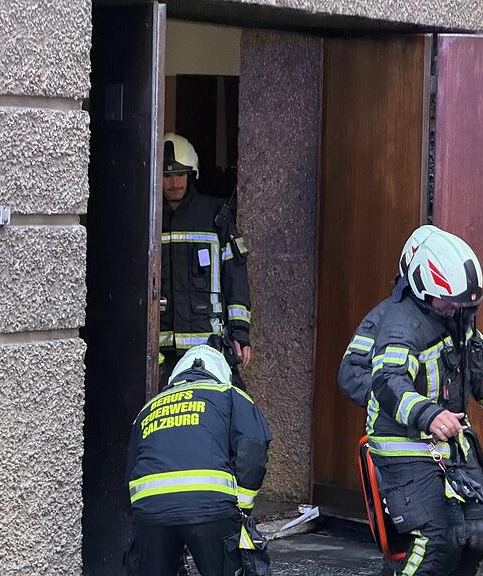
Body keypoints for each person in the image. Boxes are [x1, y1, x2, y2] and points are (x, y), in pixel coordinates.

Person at [363, 227, 483, 576]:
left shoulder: (459, 320)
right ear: (423, 287)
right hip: (403, 448)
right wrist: (429, 414)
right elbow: (387, 381)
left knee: (481, 531)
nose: (455, 309)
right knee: (438, 537)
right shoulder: (399, 325)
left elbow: (481, 376)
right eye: (449, 302)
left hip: (451, 445)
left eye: (464, 304)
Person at [125, 345, 272, 576]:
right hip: (210, 508)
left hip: (151, 512)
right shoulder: (230, 395)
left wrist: (142, 516)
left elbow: (131, 471)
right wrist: (242, 509)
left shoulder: (147, 409)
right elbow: (253, 450)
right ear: (221, 375)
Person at [159, 133, 252, 389]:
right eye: (166, 176)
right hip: (159, 355)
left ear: (192, 174)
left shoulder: (214, 217)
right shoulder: (146, 218)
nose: (174, 183)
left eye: (180, 174)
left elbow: (235, 279)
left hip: (208, 351)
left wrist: (240, 335)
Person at [338, 225, 440, 407]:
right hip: (400, 430)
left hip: (442, 431)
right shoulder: (382, 318)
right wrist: (392, 402)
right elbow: (351, 375)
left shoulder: (448, 319)